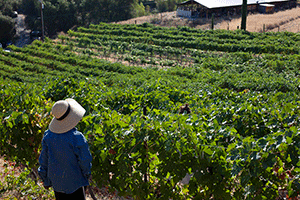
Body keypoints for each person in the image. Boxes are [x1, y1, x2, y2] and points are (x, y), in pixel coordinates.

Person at [38, 98, 93, 200]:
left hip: (57, 183)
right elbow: (85, 159)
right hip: (75, 182)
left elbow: (43, 159)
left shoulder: (48, 136)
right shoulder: (77, 137)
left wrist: (45, 179)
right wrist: (86, 174)